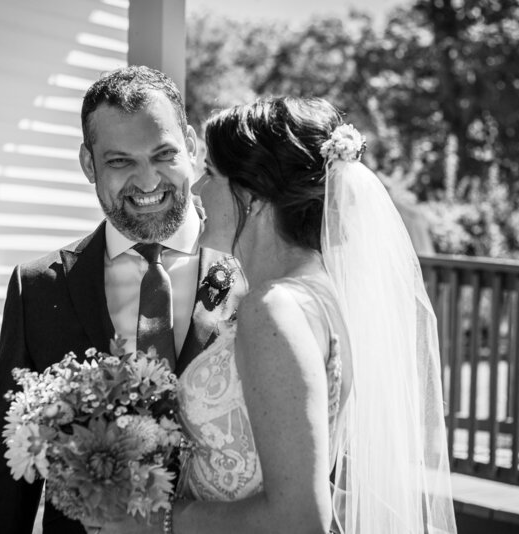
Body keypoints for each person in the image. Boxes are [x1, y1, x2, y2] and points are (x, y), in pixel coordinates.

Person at [95, 97, 457, 534]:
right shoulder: (320, 290)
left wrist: (159, 521)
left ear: (252, 196)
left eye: (211, 174)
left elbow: (298, 519)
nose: (196, 190)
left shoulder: (273, 309)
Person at [0, 66, 246, 534]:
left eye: (163, 154)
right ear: (88, 164)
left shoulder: (249, 269)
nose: (148, 180)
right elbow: (4, 473)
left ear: (192, 147)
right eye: (120, 161)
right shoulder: (38, 287)